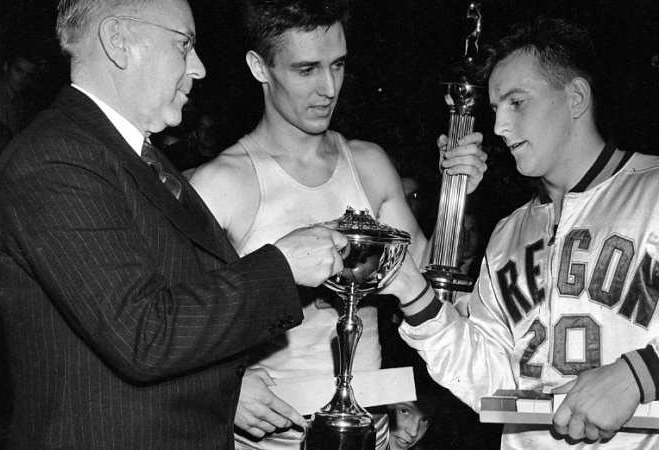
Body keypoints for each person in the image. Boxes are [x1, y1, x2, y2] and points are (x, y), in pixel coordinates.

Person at [383, 17, 659, 449]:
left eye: (517, 102)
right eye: (496, 110)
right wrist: (413, 293)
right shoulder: (508, 232)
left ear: (575, 98)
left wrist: (640, 375)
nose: (498, 128)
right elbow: (489, 381)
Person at [0, 0, 350, 448]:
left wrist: (228, 383)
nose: (198, 68)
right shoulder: (55, 159)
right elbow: (143, 334)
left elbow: (180, 307)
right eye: (184, 44)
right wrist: (282, 266)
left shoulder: (134, 158)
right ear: (119, 41)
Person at [187, 1, 487, 448]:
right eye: (306, 69)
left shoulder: (368, 164)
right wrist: (225, 387)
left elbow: (433, 288)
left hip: (371, 433)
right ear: (259, 67)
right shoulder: (223, 183)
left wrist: (456, 200)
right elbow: (177, 324)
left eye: (338, 66)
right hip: (272, 439)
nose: (329, 88)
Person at [0, 52, 37, 135]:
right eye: (19, 71)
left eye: (28, 75)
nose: (23, 78)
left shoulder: (20, 99)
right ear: (6, 67)